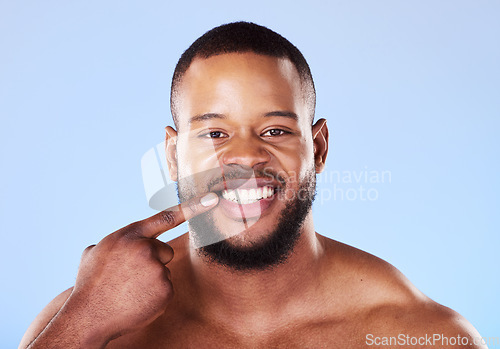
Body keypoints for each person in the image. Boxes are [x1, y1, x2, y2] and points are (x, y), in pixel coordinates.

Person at [20, 22, 486, 349]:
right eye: (215, 133)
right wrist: (82, 324)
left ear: (319, 148)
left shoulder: (420, 335)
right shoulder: (82, 325)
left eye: (275, 131)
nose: (244, 156)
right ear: (173, 157)